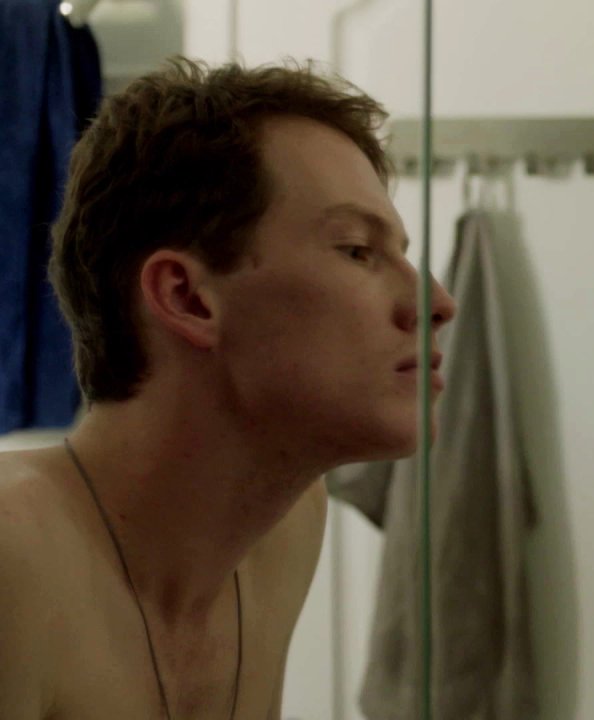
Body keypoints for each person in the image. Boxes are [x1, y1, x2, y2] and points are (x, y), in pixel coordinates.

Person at [0, 58, 457, 719]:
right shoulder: (13, 564)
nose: (437, 303)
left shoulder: (283, 530)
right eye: (358, 250)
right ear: (187, 297)